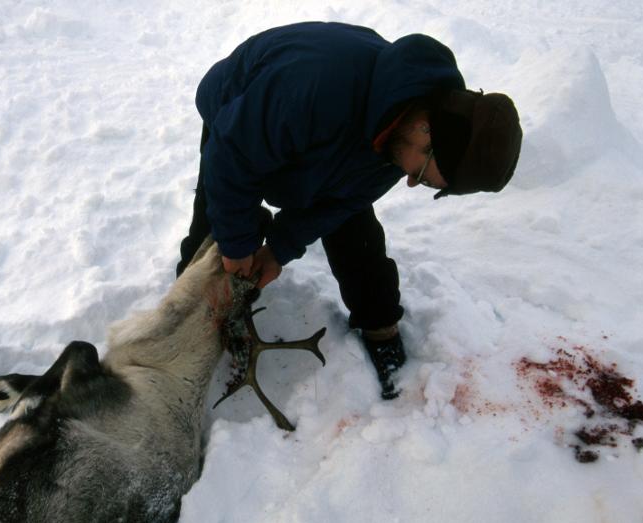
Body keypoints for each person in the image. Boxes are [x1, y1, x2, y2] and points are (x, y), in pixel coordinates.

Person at [176, 22, 522, 399]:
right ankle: (189, 322)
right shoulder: (313, 85)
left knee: (355, 233)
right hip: (238, 116)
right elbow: (232, 157)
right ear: (426, 131)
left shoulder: (402, 129)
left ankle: (380, 324)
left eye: (423, 181)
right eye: (422, 174)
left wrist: (277, 251)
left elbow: (340, 203)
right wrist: (236, 246)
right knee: (216, 228)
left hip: (328, 140)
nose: (409, 181)